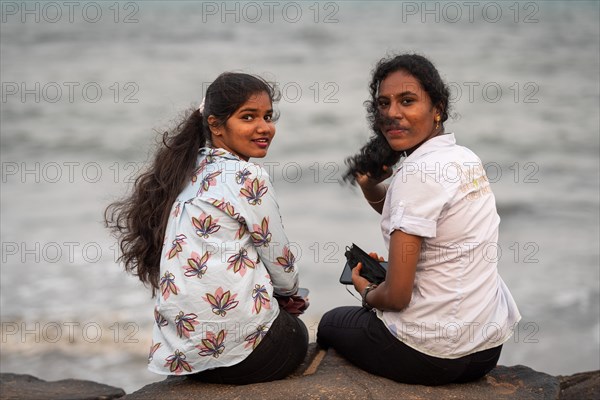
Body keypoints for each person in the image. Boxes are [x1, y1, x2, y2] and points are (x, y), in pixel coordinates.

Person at [317, 54, 521, 385]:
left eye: (407, 101)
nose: (392, 113)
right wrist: (371, 187)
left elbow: (397, 297)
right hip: (484, 350)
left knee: (330, 323)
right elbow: (416, 219)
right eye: (384, 103)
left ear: (437, 108)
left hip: (428, 355)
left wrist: (368, 291)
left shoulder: (416, 174)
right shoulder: (463, 158)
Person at [105, 72, 308, 384]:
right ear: (216, 125)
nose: (264, 127)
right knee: (296, 332)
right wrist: (291, 294)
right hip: (243, 357)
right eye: (248, 117)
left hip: (187, 358)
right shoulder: (248, 176)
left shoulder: (185, 170)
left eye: (268, 116)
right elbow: (278, 259)